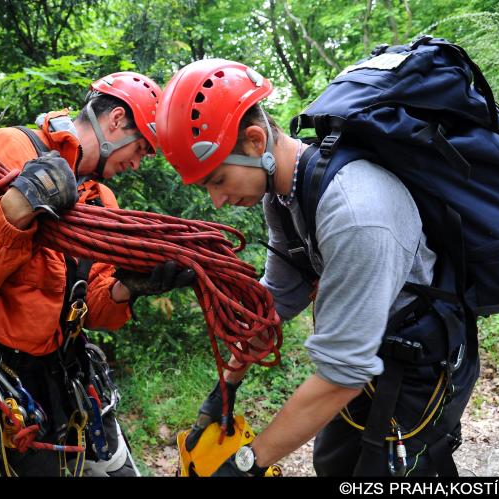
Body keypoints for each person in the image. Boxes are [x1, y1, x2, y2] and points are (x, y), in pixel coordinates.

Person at [155, 59, 479, 477]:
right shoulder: (284, 197)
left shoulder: (355, 213)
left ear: (255, 141)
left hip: (420, 366)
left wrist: (245, 465)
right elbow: (280, 297)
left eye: (216, 180)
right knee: (332, 464)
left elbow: (341, 374)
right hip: (366, 353)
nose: (217, 202)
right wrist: (227, 385)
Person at [0, 71, 193, 476]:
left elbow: (95, 307)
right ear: (116, 120)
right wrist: (17, 207)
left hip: (66, 376)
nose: (137, 163)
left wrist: (129, 287)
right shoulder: (10, 148)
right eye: (141, 148)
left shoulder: (101, 200)